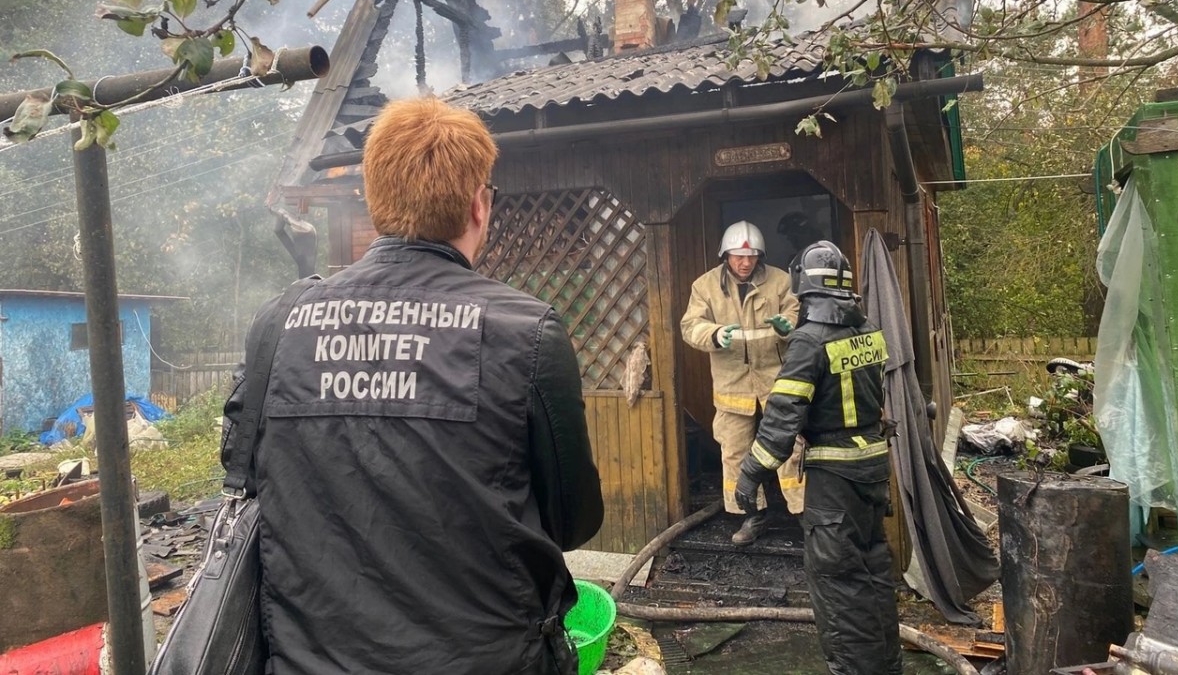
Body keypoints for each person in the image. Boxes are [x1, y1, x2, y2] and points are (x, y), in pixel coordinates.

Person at [222, 96, 604, 675]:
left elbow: (247, 479)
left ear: (375, 204)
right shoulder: (525, 331)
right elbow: (574, 521)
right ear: (480, 205)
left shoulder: (280, 323)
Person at [734, 240, 902, 675]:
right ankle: (887, 665)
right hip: (872, 469)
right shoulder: (869, 332)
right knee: (873, 572)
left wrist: (750, 474)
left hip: (835, 482)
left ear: (805, 292)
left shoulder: (808, 342)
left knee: (838, 583)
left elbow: (781, 420)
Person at [681, 220, 805, 545]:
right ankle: (752, 516)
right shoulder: (704, 286)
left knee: (791, 447)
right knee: (735, 452)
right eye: (738, 256)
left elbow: (797, 313)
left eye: (751, 257)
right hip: (731, 385)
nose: (745, 262)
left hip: (776, 383)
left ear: (760, 256)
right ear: (726, 255)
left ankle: (804, 513)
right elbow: (689, 326)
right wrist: (714, 334)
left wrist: (786, 326)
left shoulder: (780, 281)